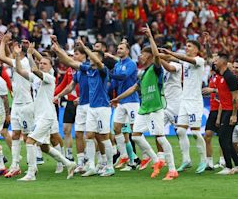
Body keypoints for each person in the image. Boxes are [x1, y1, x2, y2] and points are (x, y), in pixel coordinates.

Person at [111, 24, 177, 180]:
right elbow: (134, 88)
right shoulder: (143, 73)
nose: (139, 56)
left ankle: (173, 169)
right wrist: (117, 98)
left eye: (142, 54)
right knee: (135, 136)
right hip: (144, 109)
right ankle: (156, 160)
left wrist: (150, 37)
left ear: (149, 56)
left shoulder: (156, 69)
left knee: (160, 137)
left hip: (155, 108)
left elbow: (156, 55)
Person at [53, 37, 114, 177]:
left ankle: (109, 165)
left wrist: (86, 48)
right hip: (92, 107)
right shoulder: (87, 69)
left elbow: (98, 62)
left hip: (102, 107)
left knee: (104, 136)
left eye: (94, 56)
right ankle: (91, 165)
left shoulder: (102, 70)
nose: (91, 58)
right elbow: (69, 61)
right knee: (89, 135)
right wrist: (57, 50)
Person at [15, 42, 76, 181]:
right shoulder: (36, 79)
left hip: (46, 116)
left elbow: (35, 70)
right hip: (39, 116)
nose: (42, 65)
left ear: (50, 67)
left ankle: (31, 172)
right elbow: (19, 70)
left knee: (30, 141)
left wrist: (30, 54)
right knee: (44, 147)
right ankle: (69, 163)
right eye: (40, 63)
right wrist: (18, 55)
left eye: (45, 63)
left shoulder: (50, 78)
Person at [160, 40, 207, 174]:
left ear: (196, 50)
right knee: (180, 131)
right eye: (185, 46)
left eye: (189, 46)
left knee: (196, 132)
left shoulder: (199, 60)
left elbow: (179, 57)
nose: (186, 48)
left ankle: (203, 160)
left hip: (195, 102)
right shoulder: (185, 62)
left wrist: (171, 53)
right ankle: (186, 160)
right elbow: (170, 58)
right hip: (184, 101)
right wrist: (156, 54)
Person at [0, 33, 34, 178]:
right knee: (16, 135)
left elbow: (2, 57)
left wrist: (3, 43)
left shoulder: (23, 63)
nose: (12, 51)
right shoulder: (18, 61)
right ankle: (15, 165)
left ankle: (33, 166)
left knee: (28, 137)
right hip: (17, 104)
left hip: (26, 104)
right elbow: (8, 56)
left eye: (14, 48)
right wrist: (6, 44)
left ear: (20, 50)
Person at [53, 45, 88, 173]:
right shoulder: (70, 70)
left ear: (84, 55)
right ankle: (69, 154)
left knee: (88, 134)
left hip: (85, 102)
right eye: (73, 54)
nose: (74, 56)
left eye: (76, 54)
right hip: (70, 102)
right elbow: (66, 85)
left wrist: (58, 50)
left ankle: (93, 159)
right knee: (67, 129)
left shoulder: (88, 68)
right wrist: (56, 95)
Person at [211, 53, 238, 174]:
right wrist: (207, 43)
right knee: (227, 140)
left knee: (223, 139)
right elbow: (210, 59)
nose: (214, 61)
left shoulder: (230, 77)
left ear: (223, 62)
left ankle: (229, 167)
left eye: (217, 59)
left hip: (231, 111)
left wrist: (234, 114)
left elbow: (235, 98)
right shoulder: (221, 74)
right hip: (225, 110)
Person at [109, 41, 139, 170]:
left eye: (121, 48)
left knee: (135, 132)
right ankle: (126, 156)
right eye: (117, 48)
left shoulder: (131, 64)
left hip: (131, 101)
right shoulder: (117, 65)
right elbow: (115, 83)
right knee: (117, 129)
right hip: (121, 103)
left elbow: (123, 76)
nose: (118, 50)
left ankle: (149, 157)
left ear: (127, 51)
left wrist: (108, 73)